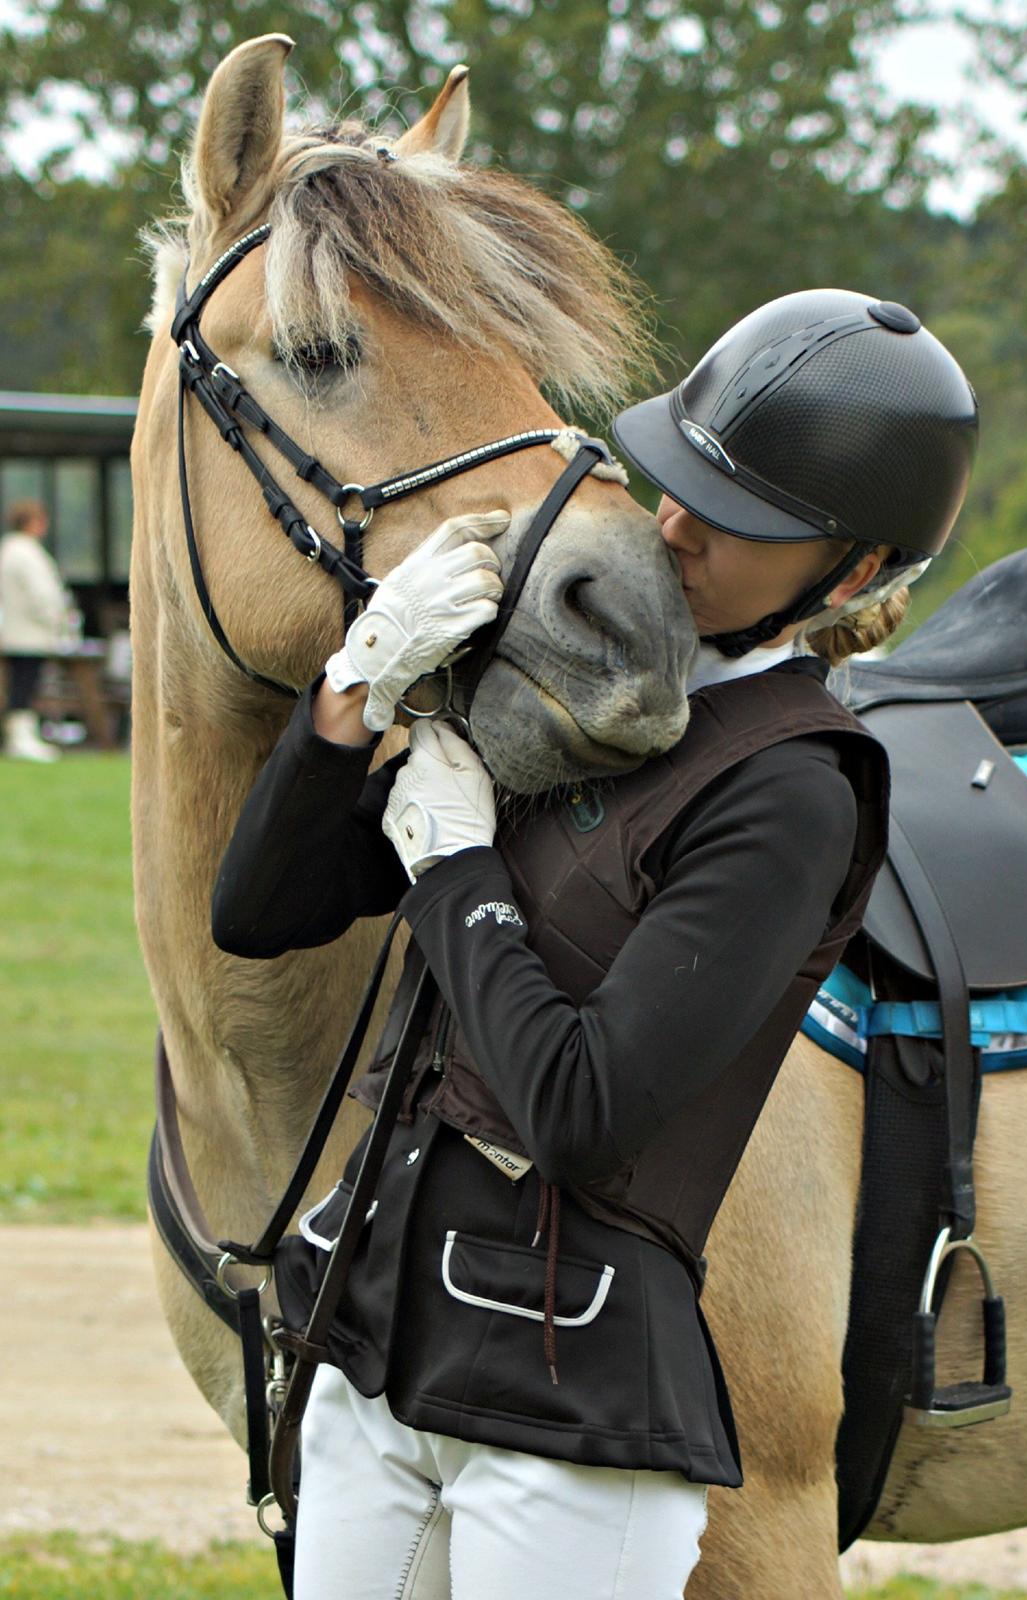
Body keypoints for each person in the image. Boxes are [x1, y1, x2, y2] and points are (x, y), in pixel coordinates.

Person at [211, 288, 978, 1599]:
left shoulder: (795, 787)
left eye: (732, 520)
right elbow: (262, 912)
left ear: (848, 572)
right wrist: (356, 690)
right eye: (675, 483)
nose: (673, 526)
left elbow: (579, 1107)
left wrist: (456, 869)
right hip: (373, 1353)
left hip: (568, 1425)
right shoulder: (571, 682)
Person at [0, 498, 76, 762]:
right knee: (25, 684)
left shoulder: (10, 549)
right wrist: (58, 619)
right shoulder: (25, 552)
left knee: (21, 684)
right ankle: (21, 739)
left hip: (18, 631)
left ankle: (21, 736)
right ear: (33, 522)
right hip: (29, 633)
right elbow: (42, 594)